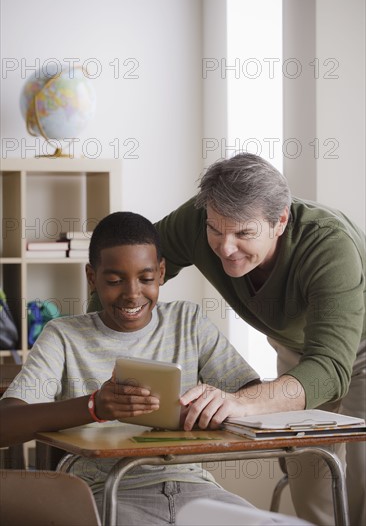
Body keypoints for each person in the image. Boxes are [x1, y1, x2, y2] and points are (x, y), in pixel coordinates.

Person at [89, 153, 365, 526]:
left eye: (243, 234)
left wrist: (240, 402)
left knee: (361, 479)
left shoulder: (329, 246)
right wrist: (93, 344)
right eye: (216, 230)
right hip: (300, 347)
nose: (225, 248)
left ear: (280, 220)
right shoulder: (200, 217)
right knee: (312, 478)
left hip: (352, 349)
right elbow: (123, 266)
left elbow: (331, 369)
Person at [0, 211, 306, 526]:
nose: (132, 293)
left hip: (193, 487)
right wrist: (94, 407)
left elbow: (252, 400)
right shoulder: (63, 336)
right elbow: (5, 424)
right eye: (115, 280)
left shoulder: (188, 322)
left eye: (146, 278)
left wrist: (221, 403)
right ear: (92, 277)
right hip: (106, 492)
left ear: (161, 273)